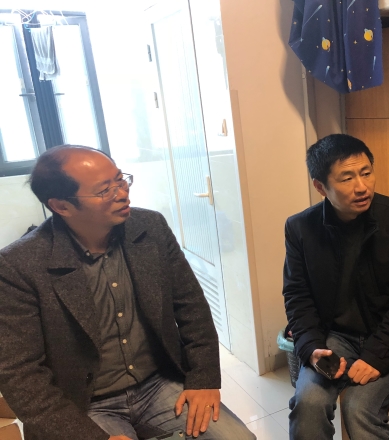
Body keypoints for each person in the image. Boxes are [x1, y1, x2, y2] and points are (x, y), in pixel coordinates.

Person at [0, 145, 255, 440]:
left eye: (121, 180)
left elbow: (191, 306)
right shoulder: (19, 265)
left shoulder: (150, 227)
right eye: (104, 190)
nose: (122, 193)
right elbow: (19, 373)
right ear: (61, 206)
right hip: (82, 403)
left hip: (157, 384)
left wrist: (204, 378)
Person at [283, 134, 389, 439]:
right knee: (308, 403)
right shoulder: (300, 228)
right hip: (335, 337)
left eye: (366, 173)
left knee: (358, 408)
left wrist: (376, 356)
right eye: (347, 178)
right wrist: (311, 348)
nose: (362, 186)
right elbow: (297, 295)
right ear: (320, 186)